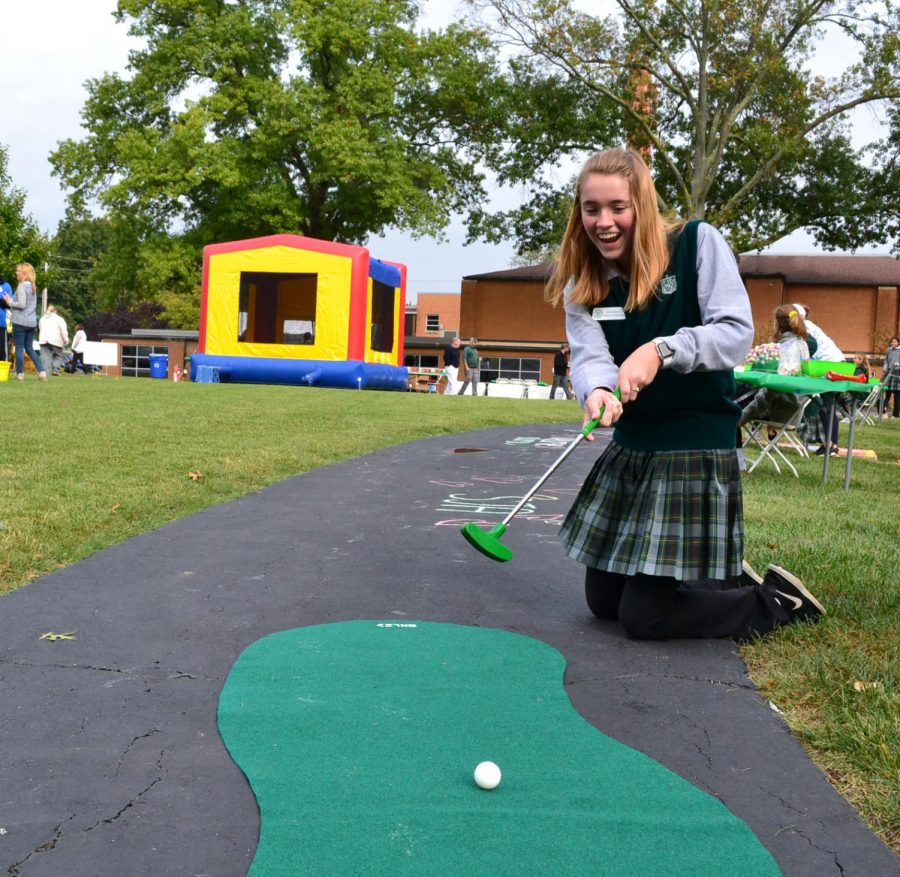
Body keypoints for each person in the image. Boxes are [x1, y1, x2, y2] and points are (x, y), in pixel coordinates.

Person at [544, 147, 823, 640]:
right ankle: (719, 580)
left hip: (694, 444)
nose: (604, 222)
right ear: (579, 212)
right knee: (603, 603)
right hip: (634, 447)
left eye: (618, 208)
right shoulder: (583, 279)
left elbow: (735, 333)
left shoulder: (697, 243)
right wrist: (598, 390)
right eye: (592, 209)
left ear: (642, 207)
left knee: (643, 619)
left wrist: (662, 350)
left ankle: (774, 602)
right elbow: (589, 357)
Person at [737, 305, 809, 428]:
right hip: (794, 410)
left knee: (737, 395)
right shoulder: (802, 344)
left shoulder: (785, 349)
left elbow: (773, 391)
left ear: (777, 324)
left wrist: (742, 418)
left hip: (781, 412)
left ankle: (729, 432)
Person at [793, 303, 844, 454]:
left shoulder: (804, 327)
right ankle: (831, 444)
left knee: (824, 406)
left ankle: (831, 445)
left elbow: (807, 350)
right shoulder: (810, 326)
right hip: (836, 362)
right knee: (828, 406)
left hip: (828, 365)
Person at [4, 263, 46, 381]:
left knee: (19, 347)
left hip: (20, 321)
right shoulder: (32, 287)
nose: (16, 273)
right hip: (31, 322)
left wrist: (9, 302)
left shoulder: (22, 287)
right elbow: (28, 305)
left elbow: (21, 305)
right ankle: (42, 371)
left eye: (18, 271)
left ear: (24, 273)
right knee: (29, 348)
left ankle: (20, 374)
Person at [38, 304, 69, 376]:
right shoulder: (59, 319)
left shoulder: (42, 319)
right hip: (56, 340)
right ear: (55, 311)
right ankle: (56, 369)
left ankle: (45, 372)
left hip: (43, 339)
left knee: (45, 357)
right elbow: (63, 331)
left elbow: (40, 328)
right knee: (58, 355)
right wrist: (66, 340)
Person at [883, 336, 900, 418]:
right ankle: (883, 413)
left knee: (897, 396)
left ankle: (895, 415)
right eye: (892, 342)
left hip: (897, 374)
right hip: (889, 373)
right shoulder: (888, 350)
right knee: (887, 393)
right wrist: (885, 368)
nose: (893, 343)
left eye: (895, 342)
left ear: (898, 343)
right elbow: (886, 360)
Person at [0, 276, 11, 363]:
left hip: (0, 323)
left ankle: (2, 373)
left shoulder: (5, 286)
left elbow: (9, 304)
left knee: (2, 351)